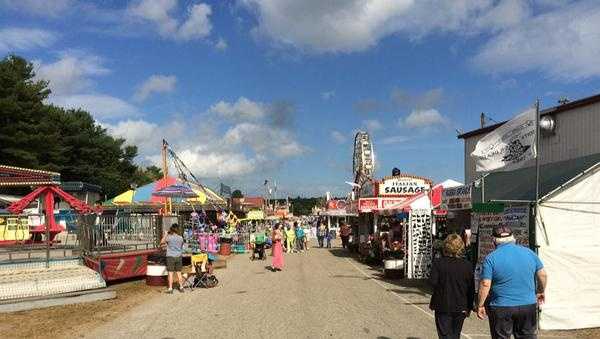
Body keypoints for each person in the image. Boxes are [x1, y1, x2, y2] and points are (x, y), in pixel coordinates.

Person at [476, 225, 547, 339]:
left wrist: (480, 304)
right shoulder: (529, 253)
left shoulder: (491, 258)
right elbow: (543, 274)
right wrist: (541, 290)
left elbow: (485, 284)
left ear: (494, 240)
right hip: (527, 304)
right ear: (513, 238)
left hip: (501, 306)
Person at [429, 234, 474, 339]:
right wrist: (469, 307)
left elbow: (432, 282)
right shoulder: (467, 265)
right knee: (455, 334)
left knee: (444, 335)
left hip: (442, 304)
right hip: (461, 305)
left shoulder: (439, 263)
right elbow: (471, 288)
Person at [160, 224, 184, 293]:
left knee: (170, 273)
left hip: (170, 257)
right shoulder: (180, 238)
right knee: (179, 273)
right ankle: (181, 287)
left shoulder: (169, 237)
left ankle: (170, 289)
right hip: (178, 256)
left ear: (171, 229)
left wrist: (165, 234)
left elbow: (161, 242)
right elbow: (181, 246)